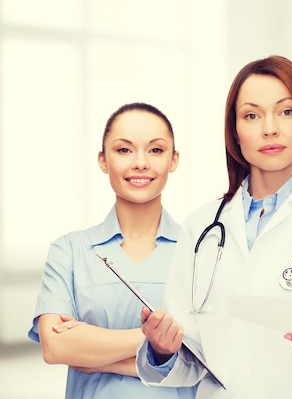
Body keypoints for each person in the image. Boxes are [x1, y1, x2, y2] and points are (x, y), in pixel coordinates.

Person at [136, 55, 292, 398]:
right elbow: (190, 357)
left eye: (286, 111)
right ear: (235, 131)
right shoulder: (200, 227)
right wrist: (161, 348)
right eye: (251, 115)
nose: (269, 128)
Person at [28, 103, 196, 399]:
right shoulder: (70, 250)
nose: (140, 163)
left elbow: (207, 354)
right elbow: (55, 347)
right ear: (103, 161)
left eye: (156, 150)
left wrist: (93, 351)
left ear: (174, 159)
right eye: (124, 150)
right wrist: (157, 340)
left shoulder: (199, 250)